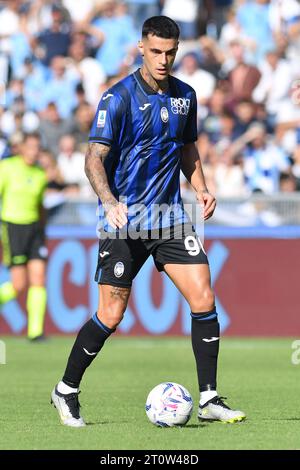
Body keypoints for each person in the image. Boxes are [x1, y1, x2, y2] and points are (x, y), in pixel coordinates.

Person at [51, 16, 246, 427]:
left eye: (170, 52)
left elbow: (187, 148)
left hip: (170, 218)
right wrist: (108, 201)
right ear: (141, 47)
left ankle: (209, 398)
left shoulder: (185, 97)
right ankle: (66, 390)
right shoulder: (118, 97)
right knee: (110, 315)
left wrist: (202, 187)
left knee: (204, 298)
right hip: (124, 220)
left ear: (178, 50)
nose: (163, 59)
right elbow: (94, 159)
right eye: (156, 51)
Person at [0, 133, 48, 341]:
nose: (34, 151)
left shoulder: (40, 174)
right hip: (13, 227)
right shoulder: (8, 167)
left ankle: (35, 332)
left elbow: (40, 205)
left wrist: (42, 229)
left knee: (39, 278)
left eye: (37, 147)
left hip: (34, 229)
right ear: (21, 148)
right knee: (18, 285)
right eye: (30, 147)